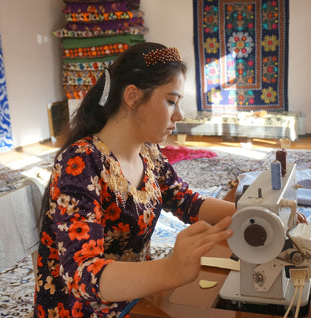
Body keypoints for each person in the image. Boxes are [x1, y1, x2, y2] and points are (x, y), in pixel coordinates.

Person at [33, 42, 236, 317]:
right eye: (170, 101)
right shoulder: (80, 162)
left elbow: (184, 200)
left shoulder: (148, 152)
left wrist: (253, 215)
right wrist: (170, 269)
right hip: (85, 309)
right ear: (132, 97)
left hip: (134, 295)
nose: (180, 115)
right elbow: (82, 274)